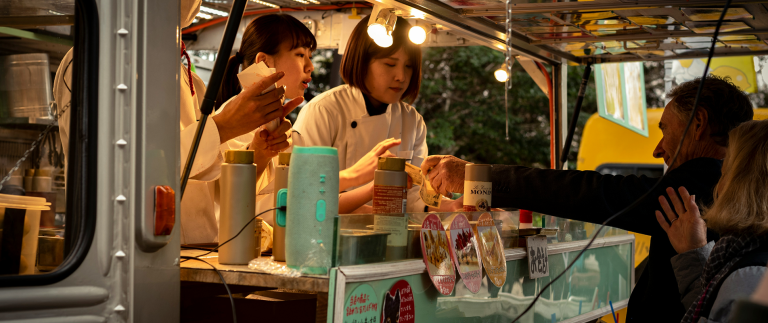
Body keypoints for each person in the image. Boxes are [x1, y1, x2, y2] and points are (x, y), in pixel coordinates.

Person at [421, 75, 754, 322]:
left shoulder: (699, 184)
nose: (658, 149)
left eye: (665, 130)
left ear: (698, 124)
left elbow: (589, 193)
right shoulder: (730, 186)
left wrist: (479, 179)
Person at [215, 14, 403, 227]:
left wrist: (373, 202)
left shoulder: (280, 124)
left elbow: (305, 200)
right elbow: (262, 204)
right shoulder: (233, 124)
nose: (310, 66)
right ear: (264, 62)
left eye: (310, 55)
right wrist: (353, 176)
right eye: (300, 54)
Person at [293, 15, 428, 212]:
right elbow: (305, 196)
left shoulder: (412, 120)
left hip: (392, 235)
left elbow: (415, 196)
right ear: (362, 62)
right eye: (390, 64)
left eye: (409, 66)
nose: (401, 76)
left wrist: (453, 206)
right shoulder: (324, 111)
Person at [656, 119, 768, 322]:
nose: (718, 184)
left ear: (744, 185)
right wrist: (693, 253)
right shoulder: (745, 260)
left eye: (725, 171)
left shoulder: (750, 279)